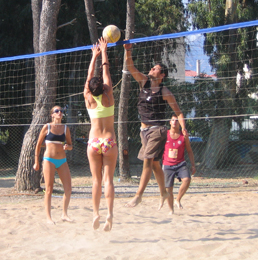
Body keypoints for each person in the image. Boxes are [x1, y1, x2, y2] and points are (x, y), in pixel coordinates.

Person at [123, 42, 188, 208]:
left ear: (162, 75)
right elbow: (130, 66)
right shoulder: (143, 82)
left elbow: (179, 112)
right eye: (152, 67)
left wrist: (183, 128)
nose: (151, 69)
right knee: (154, 164)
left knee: (147, 160)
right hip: (143, 130)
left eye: (155, 68)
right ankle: (164, 192)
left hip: (157, 130)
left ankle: (138, 195)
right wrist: (128, 51)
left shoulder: (165, 92)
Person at [83, 37, 118, 231]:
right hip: (109, 142)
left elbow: (90, 77)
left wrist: (93, 56)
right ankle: (109, 215)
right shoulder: (109, 95)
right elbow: (106, 71)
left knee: (96, 181)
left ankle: (96, 213)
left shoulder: (88, 98)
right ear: (103, 87)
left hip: (94, 143)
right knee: (109, 180)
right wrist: (104, 51)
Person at [33, 106, 73, 224]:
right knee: (49, 189)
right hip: (49, 159)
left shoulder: (65, 128)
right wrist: (36, 162)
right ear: (52, 115)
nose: (60, 112)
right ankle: (48, 217)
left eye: (61, 111)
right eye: (57, 111)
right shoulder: (47, 127)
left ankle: (64, 214)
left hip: (62, 161)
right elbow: (38, 145)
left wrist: (67, 147)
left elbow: (70, 145)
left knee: (68, 188)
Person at [161, 115, 196, 214]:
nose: (175, 122)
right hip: (167, 165)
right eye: (173, 120)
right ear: (170, 122)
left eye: (177, 120)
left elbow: (189, 150)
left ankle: (178, 199)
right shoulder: (165, 134)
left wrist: (193, 165)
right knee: (168, 189)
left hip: (180, 163)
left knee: (187, 179)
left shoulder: (183, 136)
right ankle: (171, 210)